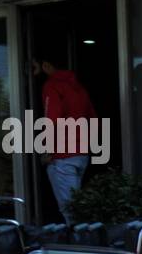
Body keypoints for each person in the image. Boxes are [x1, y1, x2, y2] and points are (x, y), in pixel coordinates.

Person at [33, 53, 96, 223]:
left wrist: (48, 150)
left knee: (70, 211)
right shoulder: (79, 87)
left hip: (63, 155)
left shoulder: (52, 86)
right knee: (76, 206)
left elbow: (51, 119)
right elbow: (91, 117)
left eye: (34, 67)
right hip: (81, 153)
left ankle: (81, 247)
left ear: (46, 65)